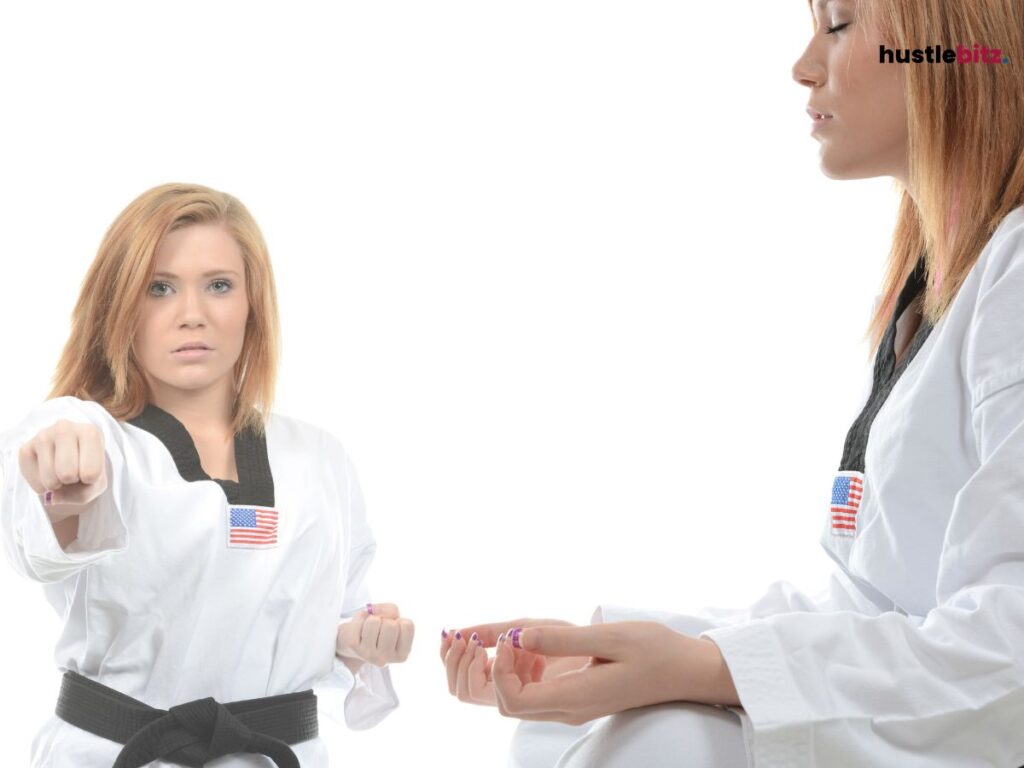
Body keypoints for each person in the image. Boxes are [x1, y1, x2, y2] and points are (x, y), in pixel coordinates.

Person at [439, 0, 1024, 764]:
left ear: (949, 50)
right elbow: (867, 601)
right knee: (569, 725)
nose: (804, 65)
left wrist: (705, 669)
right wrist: (622, 654)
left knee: (663, 738)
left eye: (839, 26)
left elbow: (1008, 652)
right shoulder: (929, 296)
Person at [0, 182, 415, 767]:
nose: (192, 314)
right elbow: (38, 529)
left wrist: (355, 640)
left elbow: (333, 609)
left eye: (219, 285)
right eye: (159, 288)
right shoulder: (95, 439)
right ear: (119, 304)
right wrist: (60, 487)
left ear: (253, 303)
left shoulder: (319, 459)